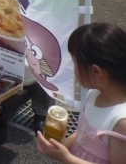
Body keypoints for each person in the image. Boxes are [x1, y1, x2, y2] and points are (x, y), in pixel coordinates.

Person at [36, 22, 126, 163]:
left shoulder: (121, 122)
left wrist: (66, 158)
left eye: (75, 63)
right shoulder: (94, 94)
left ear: (95, 71)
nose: (74, 69)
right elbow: (83, 133)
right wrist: (62, 146)